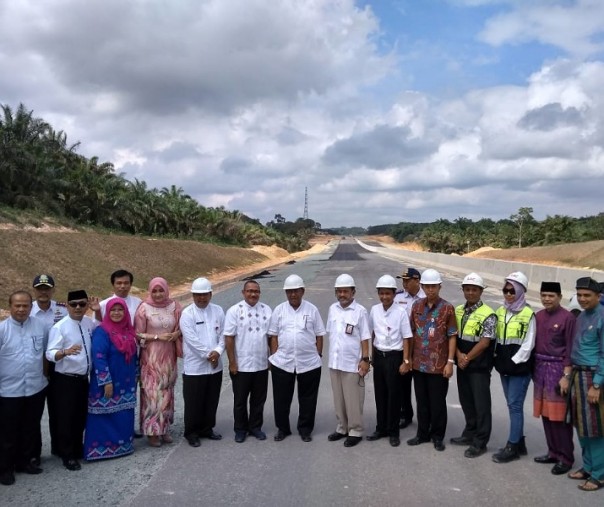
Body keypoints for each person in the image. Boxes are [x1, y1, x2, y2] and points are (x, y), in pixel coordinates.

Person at [268, 275, 326, 443]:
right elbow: (273, 336)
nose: (293, 294)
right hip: (283, 362)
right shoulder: (279, 310)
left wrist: (318, 354)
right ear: (286, 293)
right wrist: (273, 357)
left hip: (309, 363)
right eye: (289, 291)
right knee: (281, 398)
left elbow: (319, 335)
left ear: (302, 291)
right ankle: (282, 428)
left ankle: (305, 429)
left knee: (308, 399)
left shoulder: (312, 310)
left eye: (296, 291)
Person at [406, 268, 457, 452]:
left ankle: (437, 436)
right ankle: (422, 434)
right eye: (427, 286)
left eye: (434, 286)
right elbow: (411, 333)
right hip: (419, 363)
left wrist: (450, 362)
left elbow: (452, 336)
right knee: (422, 401)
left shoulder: (447, 308)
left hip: (438, 365)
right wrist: (408, 359)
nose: (430, 290)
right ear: (422, 286)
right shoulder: (416, 307)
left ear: (440, 287)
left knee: (437, 402)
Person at [0, 291, 48, 486]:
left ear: (31, 306)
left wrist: (46, 376)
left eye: (25, 305)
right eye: (17, 305)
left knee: (30, 428)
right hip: (8, 391)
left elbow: (45, 353)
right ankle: (5, 468)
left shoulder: (40, 326)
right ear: (10, 306)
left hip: (35, 387)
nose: (21, 309)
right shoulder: (2, 330)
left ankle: (24, 462)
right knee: (7, 433)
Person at [46, 290, 97, 471]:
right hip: (64, 380)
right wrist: (64, 352)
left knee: (80, 416)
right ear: (67, 305)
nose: (77, 307)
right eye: (73, 304)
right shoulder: (60, 327)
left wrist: (97, 311)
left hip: (83, 379)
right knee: (65, 418)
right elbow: (50, 353)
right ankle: (66, 455)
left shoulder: (89, 323)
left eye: (82, 304)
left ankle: (77, 449)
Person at [84, 298, 138, 461]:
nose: (116, 313)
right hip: (107, 382)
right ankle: (99, 450)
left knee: (123, 414)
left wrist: (137, 375)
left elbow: (135, 355)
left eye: (120, 310)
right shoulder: (102, 331)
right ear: (108, 312)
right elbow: (99, 357)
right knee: (103, 416)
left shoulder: (129, 330)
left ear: (125, 312)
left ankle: (123, 446)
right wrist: (105, 381)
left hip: (126, 381)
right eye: (113, 310)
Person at [450, 273, 497, 458]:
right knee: (467, 402)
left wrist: (466, 357)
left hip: (479, 366)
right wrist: (458, 355)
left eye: (474, 289)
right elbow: (453, 335)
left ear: (481, 291)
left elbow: (485, 342)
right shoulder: (458, 310)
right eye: (467, 289)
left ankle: (480, 441)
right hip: (463, 363)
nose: (470, 292)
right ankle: (469, 433)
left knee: (481, 405)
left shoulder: (489, 314)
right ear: (463, 290)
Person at [532, 281, 576, 475]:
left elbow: (571, 349)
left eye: (551, 296)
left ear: (559, 297)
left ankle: (565, 457)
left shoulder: (568, 318)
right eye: (544, 295)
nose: (547, 299)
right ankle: (553, 452)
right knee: (546, 414)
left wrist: (567, 375)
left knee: (560, 416)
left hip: (558, 370)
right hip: (540, 368)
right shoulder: (538, 316)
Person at [492, 271, 536, 463]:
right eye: (506, 290)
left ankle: (512, 447)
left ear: (520, 292)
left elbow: (529, 343)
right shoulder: (501, 311)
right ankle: (520, 442)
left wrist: (513, 362)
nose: (508, 294)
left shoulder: (528, 314)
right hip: (504, 367)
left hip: (519, 368)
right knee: (512, 405)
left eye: (512, 291)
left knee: (515, 406)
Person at [565, 276, 604, 491]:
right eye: (579, 295)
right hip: (577, 376)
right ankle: (588, 467)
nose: (582, 299)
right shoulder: (581, 317)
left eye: (587, 295)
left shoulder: (602, 317)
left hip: (593, 378)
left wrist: (597, 385)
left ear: (598, 296)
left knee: (596, 429)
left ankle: (599, 474)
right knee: (581, 426)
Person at [134, 277, 182, 447]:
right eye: (154, 291)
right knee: (152, 394)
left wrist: (176, 335)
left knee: (167, 392)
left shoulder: (175, 306)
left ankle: (164, 428)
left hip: (168, 357)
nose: (158, 294)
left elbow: (180, 327)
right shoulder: (143, 308)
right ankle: (152, 431)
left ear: (166, 290)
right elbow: (138, 334)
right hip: (151, 358)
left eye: (161, 290)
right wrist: (157, 336)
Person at [367, 275, 412, 447]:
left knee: (394, 396)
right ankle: (381, 428)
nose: (384, 297)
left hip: (395, 357)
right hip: (379, 356)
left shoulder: (400, 312)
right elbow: (371, 334)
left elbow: (407, 338)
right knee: (380, 394)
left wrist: (406, 361)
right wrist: (371, 356)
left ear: (394, 294)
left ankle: (393, 431)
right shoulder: (374, 310)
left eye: (388, 293)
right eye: (381, 293)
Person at [179, 277, 225, 447]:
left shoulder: (218, 311)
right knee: (193, 401)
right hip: (195, 367)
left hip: (215, 366)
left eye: (205, 294)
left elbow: (224, 335)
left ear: (210, 294)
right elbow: (191, 340)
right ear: (192, 295)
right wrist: (209, 355)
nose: (201, 298)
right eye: (198, 295)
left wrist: (218, 351)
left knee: (211, 399)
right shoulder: (187, 314)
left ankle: (207, 429)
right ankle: (191, 432)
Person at [326, 274, 371, 448]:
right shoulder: (333, 309)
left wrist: (365, 359)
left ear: (353, 292)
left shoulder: (360, 311)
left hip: (352, 363)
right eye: (339, 291)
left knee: (353, 400)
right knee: (339, 399)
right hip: (335, 362)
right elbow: (333, 334)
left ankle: (355, 430)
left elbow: (365, 337)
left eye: (345, 291)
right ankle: (342, 427)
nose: (342, 294)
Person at [224, 280, 272, 443]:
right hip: (241, 365)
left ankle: (255, 427)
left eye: (256, 291)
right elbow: (229, 338)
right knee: (240, 400)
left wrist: (271, 358)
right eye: (250, 291)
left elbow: (271, 337)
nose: (253, 294)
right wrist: (232, 362)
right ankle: (240, 429)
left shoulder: (267, 310)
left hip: (261, 364)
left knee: (259, 399)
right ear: (243, 293)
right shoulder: (234, 311)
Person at [29, 274, 68, 462]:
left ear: (53, 290)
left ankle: (59, 448)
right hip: (33, 365)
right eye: (39, 288)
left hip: (57, 364)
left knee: (58, 409)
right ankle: (33, 453)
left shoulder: (63, 310)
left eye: (47, 288)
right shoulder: (27, 310)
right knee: (33, 413)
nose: (43, 291)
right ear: (34, 289)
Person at [394, 267, 425, 429]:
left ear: (417, 281)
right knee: (403, 384)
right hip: (403, 346)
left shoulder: (427, 297)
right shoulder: (398, 297)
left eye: (407, 280)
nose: (404, 283)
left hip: (421, 348)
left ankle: (425, 417)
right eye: (403, 280)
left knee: (422, 386)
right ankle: (405, 414)